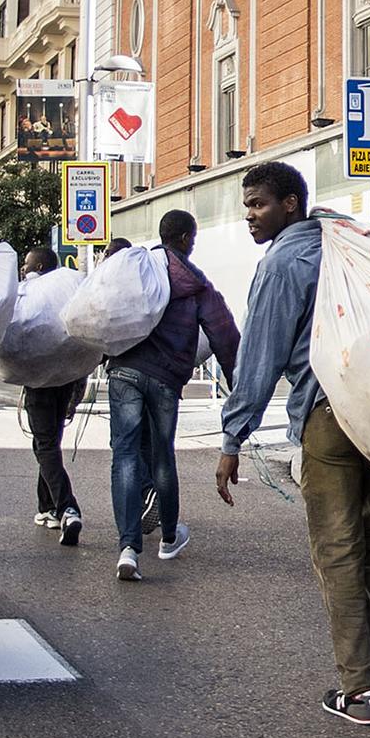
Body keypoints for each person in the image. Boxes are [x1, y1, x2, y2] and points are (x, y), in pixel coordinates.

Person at [218, 163, 370, 726]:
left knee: (337, 547)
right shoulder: (347, 246)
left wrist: (234, 435)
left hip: (327, 417)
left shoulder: (283, 261)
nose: (249, 215)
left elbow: (260, 354)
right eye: (247, 205)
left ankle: (359, 690)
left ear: (290, 203)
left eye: (257, 204)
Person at [109, 211, 240, 582]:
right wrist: (240, 390)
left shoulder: (137, 270)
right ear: (185, 239)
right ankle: (168, 538)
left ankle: (128, 548)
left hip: (124, 371)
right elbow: (225, 339)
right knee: (162, 454)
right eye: (193, 240)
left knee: (125, 455)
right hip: (165, 378)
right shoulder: (197, 287)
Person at [19, 246, 85, 546]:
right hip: (65, 380)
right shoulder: (66, 291)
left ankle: (67, 507)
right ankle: (47, 508)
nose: (23, 268)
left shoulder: (35, 294)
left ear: (41, 266)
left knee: (45, 445)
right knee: (48, 444)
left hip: (40, 382)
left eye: (28, 263)